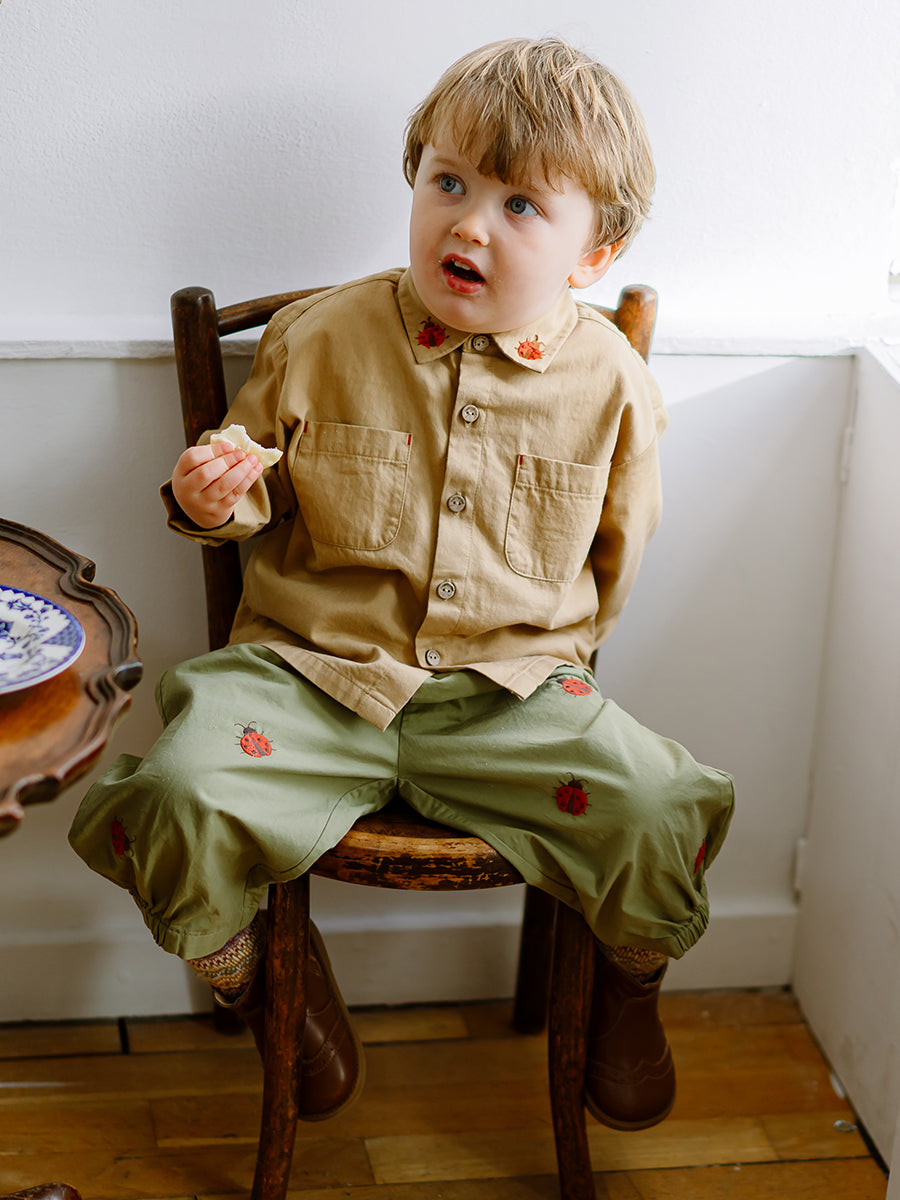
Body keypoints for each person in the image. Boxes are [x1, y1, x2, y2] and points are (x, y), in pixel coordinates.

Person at [69, 36, 734, 1131]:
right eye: (449, 182)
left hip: (509, 698)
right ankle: (265, 987)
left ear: (594, 253)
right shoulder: (321, 335)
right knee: (176, 792)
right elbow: (245, 488)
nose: (469, 224)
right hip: (305, 680)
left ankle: (630, 985)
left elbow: (616, 555)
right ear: (416, 179)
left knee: (660, 803)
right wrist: (209, 495)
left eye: (522, 206)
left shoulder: (611, 382)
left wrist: (559, 671)